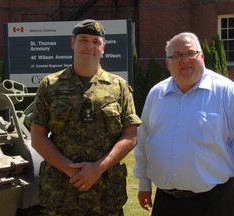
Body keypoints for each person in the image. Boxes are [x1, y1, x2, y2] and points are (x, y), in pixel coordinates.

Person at [31, 19, 142, 215]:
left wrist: (98, 168)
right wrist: (69, 169)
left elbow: (130, 136)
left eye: (95, 41)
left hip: (106, 195)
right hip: (62, 193)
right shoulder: (50, 85)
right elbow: (38, 137)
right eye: (84, 40)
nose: (90, 46)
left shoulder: (119, 86)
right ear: (73, 42)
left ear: (103, 47)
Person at [133, 32, 234, 216]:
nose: (185, 60)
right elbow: (143, 140)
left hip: (215, 202)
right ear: (168, 63)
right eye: (177, 56)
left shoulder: (226, 92)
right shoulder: (156, 95)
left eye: (191, 53)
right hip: (166, 202)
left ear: (201, 56)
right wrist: (144, 183)